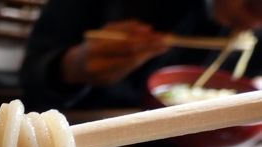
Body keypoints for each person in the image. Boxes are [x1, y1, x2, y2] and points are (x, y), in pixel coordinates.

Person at [21, 0, 262, 111]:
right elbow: (31, 75)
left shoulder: (253, 32)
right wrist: (72, 67)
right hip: (87, 140)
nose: (255, 21)